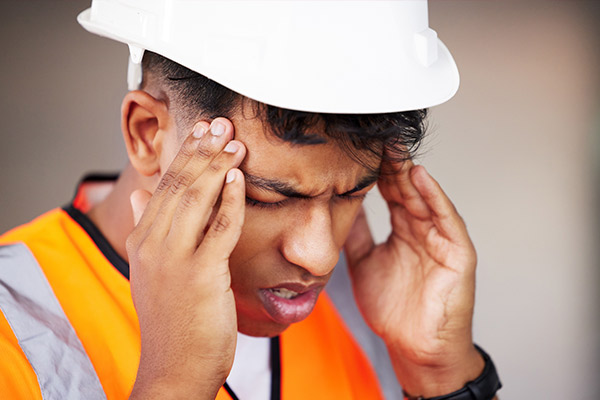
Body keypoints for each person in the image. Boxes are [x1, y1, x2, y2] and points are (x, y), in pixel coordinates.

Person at [0, 1, 501, 399]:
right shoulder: (14, 327)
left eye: (354, 193)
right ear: (148, 133)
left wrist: (445, 377)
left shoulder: (378, 303)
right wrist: (176, 387)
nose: (320, 255)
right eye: (264, 198)